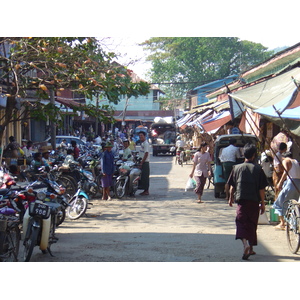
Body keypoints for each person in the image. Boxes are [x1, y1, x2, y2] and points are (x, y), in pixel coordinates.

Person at [227, 143, 268, 260]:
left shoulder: (236, 168)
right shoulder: (258, 169)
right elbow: (261, 189)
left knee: (241, 222)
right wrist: (263, 203)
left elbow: (232, 186)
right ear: (254, 155)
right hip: (254, 201)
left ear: (243, 154)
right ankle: (250, 247)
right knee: (252, 224)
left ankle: (245, 244)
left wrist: (230, 198)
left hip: (241, 201)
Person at [272, 151, 300, 229]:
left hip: (291, 183)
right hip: (298, 185)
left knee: (279, 203)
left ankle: (282, 223)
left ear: (283, 157)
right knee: (293, 204)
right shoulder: (296, 162)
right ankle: (292, 223)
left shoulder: (286, 160)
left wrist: (280, 183)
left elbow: (286, 171)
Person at [138, 131, 150, 196]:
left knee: (145, 177)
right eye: (139, 136)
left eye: (141, 135)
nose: (140, 137)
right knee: (142, 177)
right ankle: (144, 190)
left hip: (145, 163)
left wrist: (142, 163)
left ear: (144, 136)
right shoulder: (142, 143)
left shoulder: (146, 143)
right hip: (142, 162)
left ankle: (146, 191)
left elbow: (146, 153)